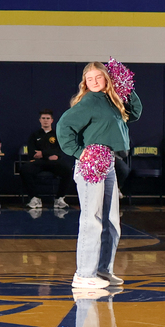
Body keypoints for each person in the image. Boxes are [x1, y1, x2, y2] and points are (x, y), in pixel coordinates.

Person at [57, 62, 142, 290]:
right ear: (84, 82)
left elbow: (134, 113)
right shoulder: (89, 101)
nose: (94, 81)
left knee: (111, 221)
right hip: (91, 163)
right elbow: (63, 126)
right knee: (91, 218)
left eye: (98, 77)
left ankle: (103, 269)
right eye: (89, 78)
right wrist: (79, 152)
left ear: (107, 78)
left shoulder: (111, 101)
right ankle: (84, 274)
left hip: (110, 162)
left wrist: (126, 87)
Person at [21, 109, 71, 210]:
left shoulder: (57, 135)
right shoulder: (35, 135)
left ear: (52, 120)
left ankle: (59, 199)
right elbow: (32, 152)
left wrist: (43, 153)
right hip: (38, 163)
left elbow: (59, 152)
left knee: (67, 170)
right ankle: (35, 198)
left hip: (54, 163)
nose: (45, 120)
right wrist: (48, 155)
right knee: (24, 170)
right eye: (43, 118)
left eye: (48, 118)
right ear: (40, 120)